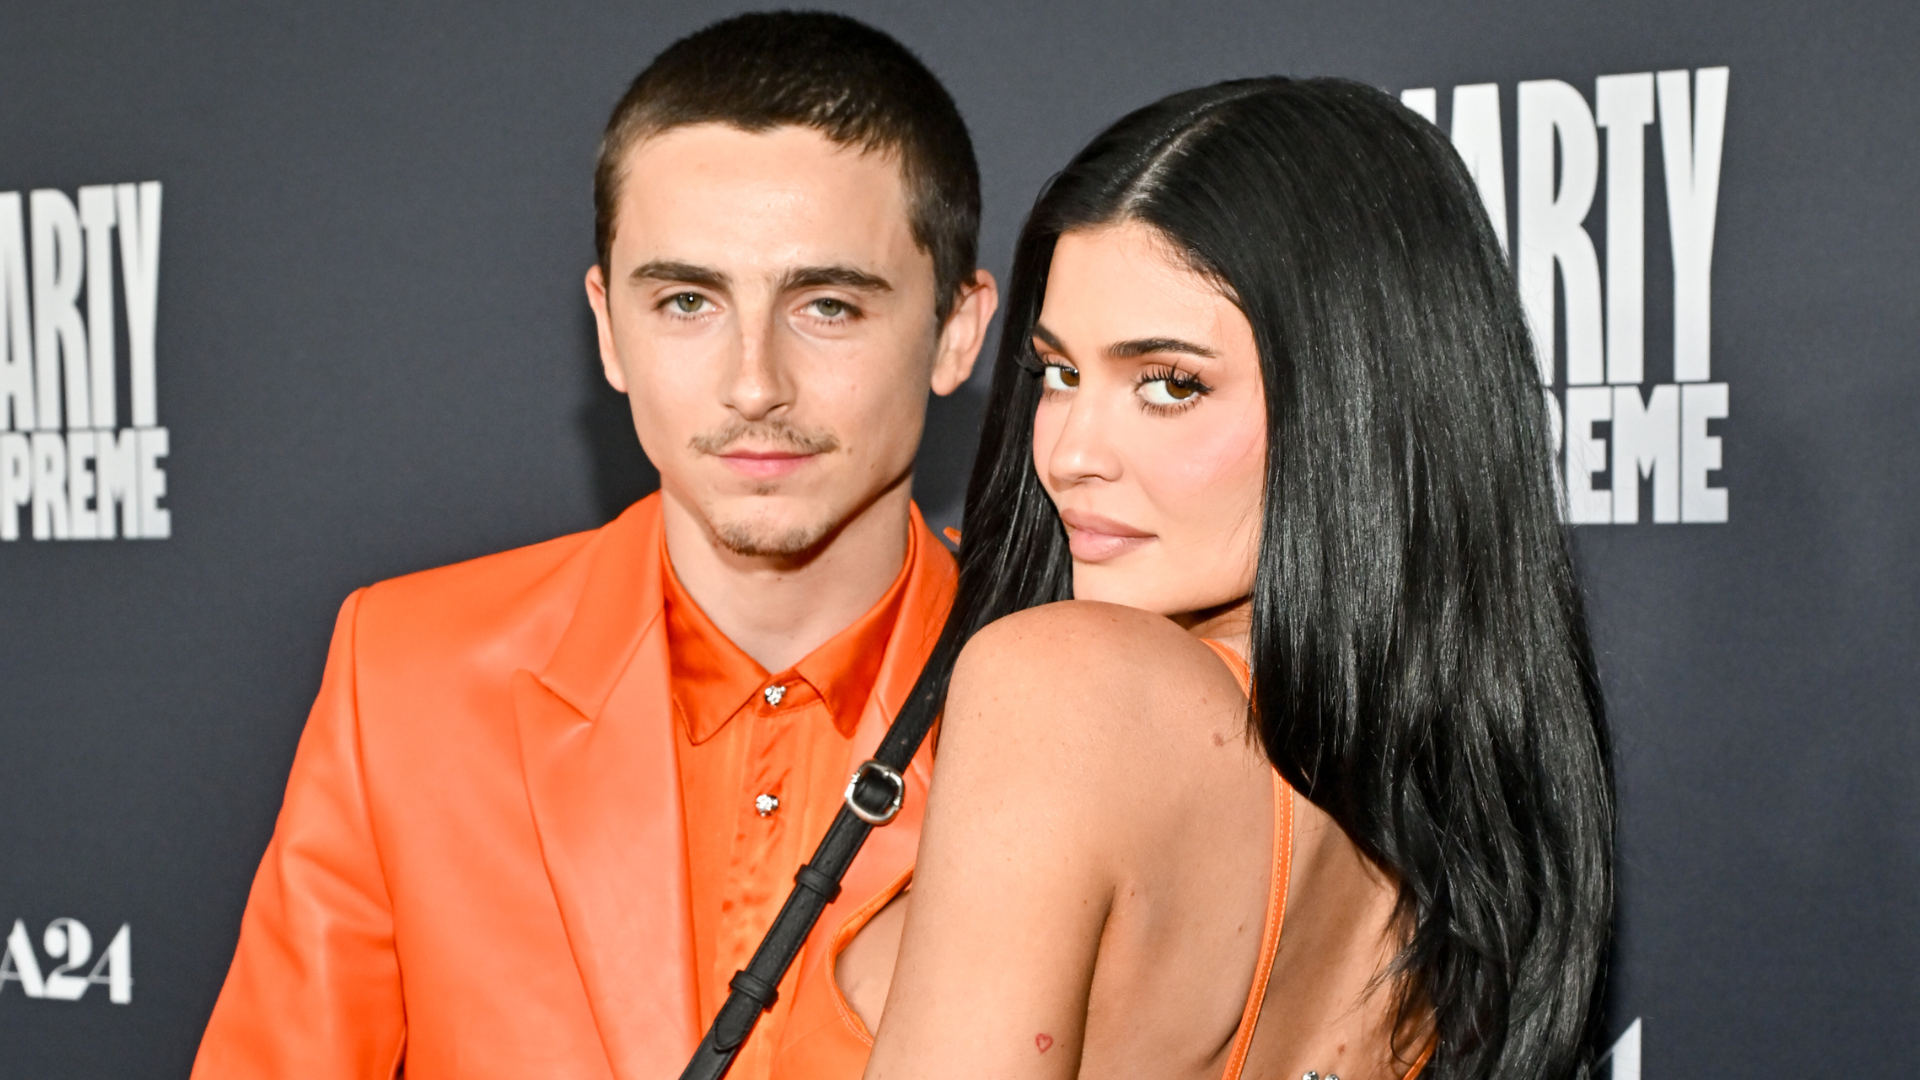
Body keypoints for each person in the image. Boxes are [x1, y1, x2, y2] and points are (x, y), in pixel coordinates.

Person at [189, 13, 997, 1080]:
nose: (755, 384)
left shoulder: (1077, 721)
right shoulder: (406, 677)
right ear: (609, 328)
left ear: (955, 331)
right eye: (686, 302)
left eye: (829, 306)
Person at [777, 78, 1614, 1080]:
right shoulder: (1441, 819)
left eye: (1170, 385)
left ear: (1357, 410)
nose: (1072, 452)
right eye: (1058, 373)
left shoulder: (1062, 685)